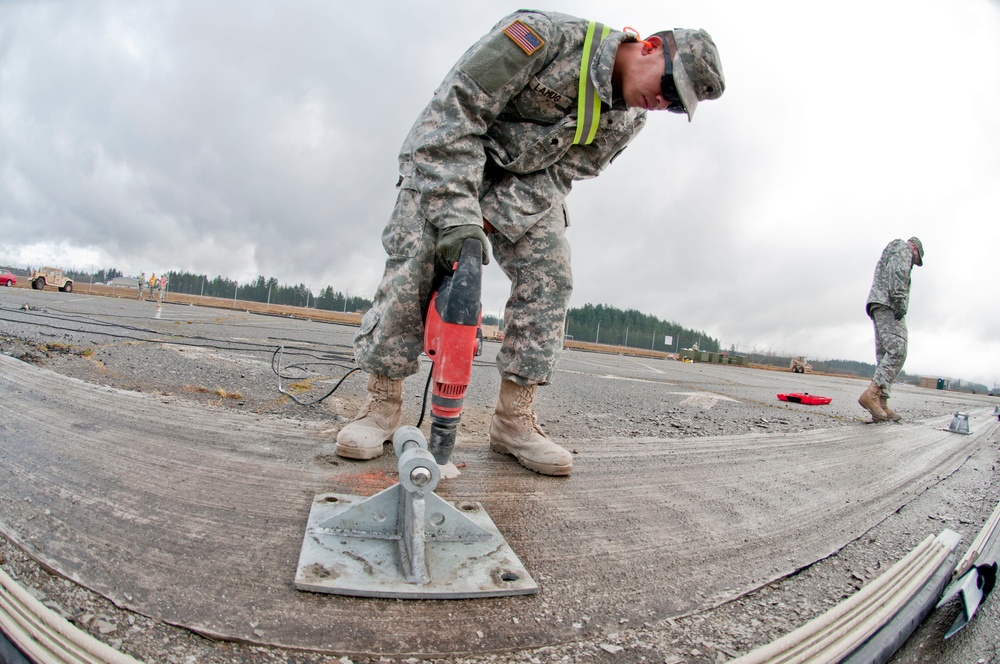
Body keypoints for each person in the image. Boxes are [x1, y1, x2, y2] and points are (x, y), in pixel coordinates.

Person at [337, 10, 725, 476]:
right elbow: (453, 113)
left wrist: (489, 220)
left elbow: (563, 173)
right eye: (668, 85)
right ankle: (381, 406)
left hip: (519, 189)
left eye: (676, 105)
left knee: (551, 275)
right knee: (416, 262)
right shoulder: (544, 37)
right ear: (649, 47)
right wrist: (460, 217)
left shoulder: (626, 122)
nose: (662, 102)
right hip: (449, 159)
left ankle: (513, 421)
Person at [858, 237, 924, 422]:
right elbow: (897, 272)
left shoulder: (895, 250)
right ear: (914, 248)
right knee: (898, 349)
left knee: (885, 356)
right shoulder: (903, 248)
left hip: (879, 303)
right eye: (916, 259)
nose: (913, 263)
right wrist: (900, 301)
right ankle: (871, 395)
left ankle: (881, 403)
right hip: (888, 303)